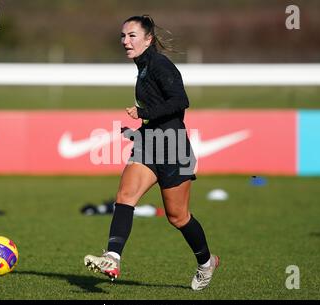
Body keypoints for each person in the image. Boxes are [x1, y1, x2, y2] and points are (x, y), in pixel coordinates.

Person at [84, 15, 219, 291]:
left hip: (173, 147)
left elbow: (181, 101)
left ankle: (206, 263)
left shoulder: (159, 64)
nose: (125, 41)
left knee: (178, 217)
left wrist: (144, 113)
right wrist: (139, 127)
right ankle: (112, 257)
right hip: (149, 144)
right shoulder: (143, 67)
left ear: (148, 39)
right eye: (123, 36)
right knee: (124, 197)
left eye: (132, 35)